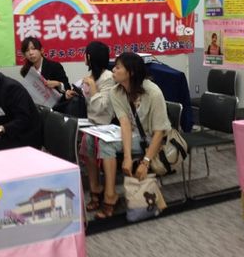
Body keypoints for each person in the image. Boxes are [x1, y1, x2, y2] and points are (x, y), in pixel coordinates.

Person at [83, 52, 171, 219]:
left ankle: (110, 196)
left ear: (130, 72)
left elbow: (160, 132)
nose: (113, 70)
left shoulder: (153, 92)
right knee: (89, 139)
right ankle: (97, 189)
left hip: (151, 138)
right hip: (133, 134)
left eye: (118, 67)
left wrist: (145, 162)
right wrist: (127, 158)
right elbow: (124, 124)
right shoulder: (116, 92)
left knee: (106, 144)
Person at [65, 41, 115, 125]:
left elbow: (99, 108)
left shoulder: (108, 78)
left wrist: (92, 85)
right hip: (87, 120)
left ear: (88, 56)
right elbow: (87, 101)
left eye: (85, 53)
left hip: (101, 124)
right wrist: (74, 94)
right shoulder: (91, 76)